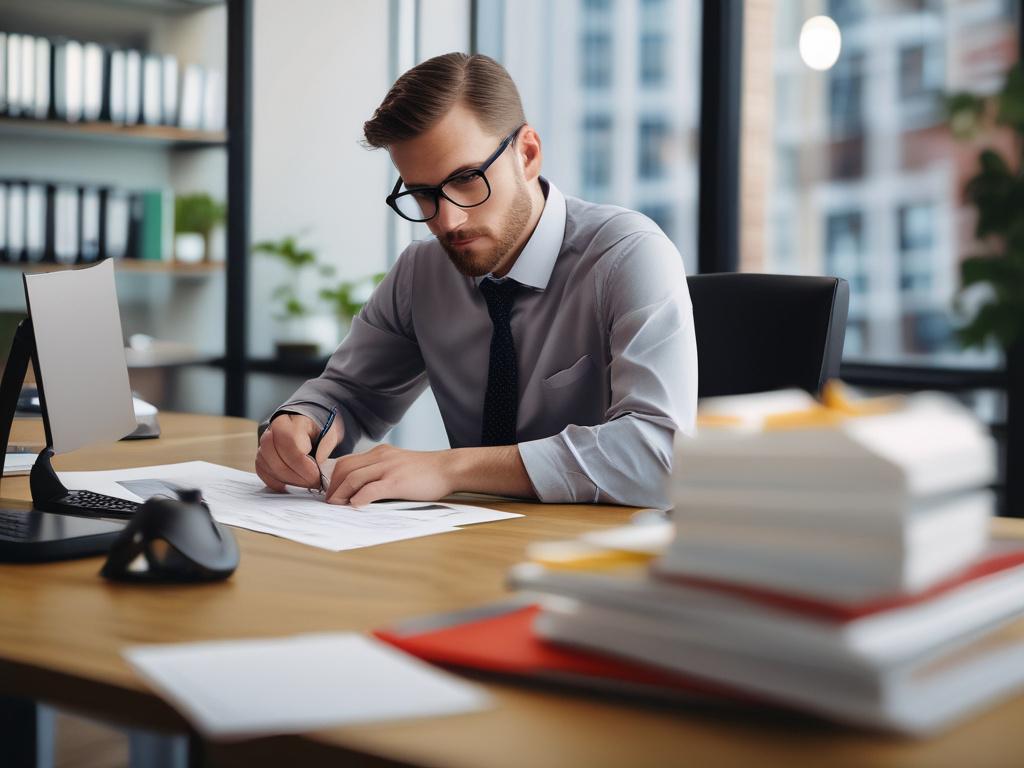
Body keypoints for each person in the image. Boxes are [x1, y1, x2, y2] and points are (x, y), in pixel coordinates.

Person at [255, 52, 697, 509]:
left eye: (467, 179)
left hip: (596, 555)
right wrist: (301, 421)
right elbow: (349, 393)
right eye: (422, 193)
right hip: (467, 548)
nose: (448, 220)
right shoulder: (421, 271)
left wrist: (451, 468)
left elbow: (661, 454)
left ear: (527, 154)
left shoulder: (628, 255)